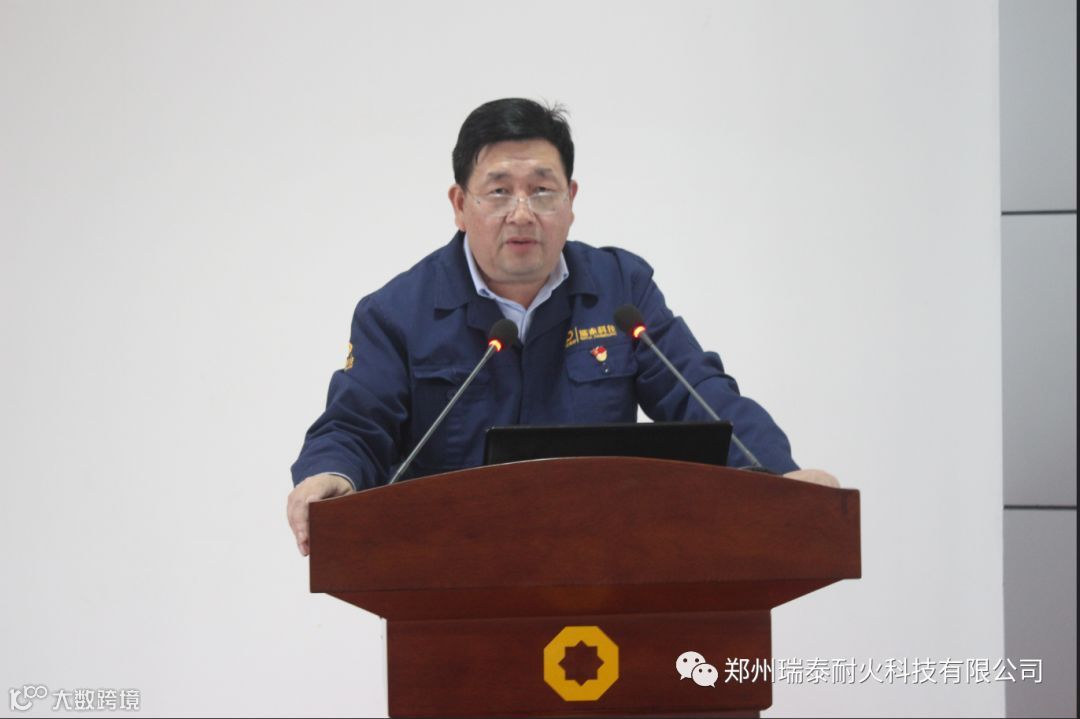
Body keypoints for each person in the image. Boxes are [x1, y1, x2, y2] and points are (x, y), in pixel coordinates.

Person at [287, 98, 837, 556]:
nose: (522, 213)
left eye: (542, 191)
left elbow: (699, 393)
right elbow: (356, 424)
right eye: (499, 191)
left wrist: (779, 476)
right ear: (459, 204)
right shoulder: (397, 313)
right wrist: (331, 473)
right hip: (451, 570)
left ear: (571, 200)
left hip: (603, 565)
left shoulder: (621, 290)